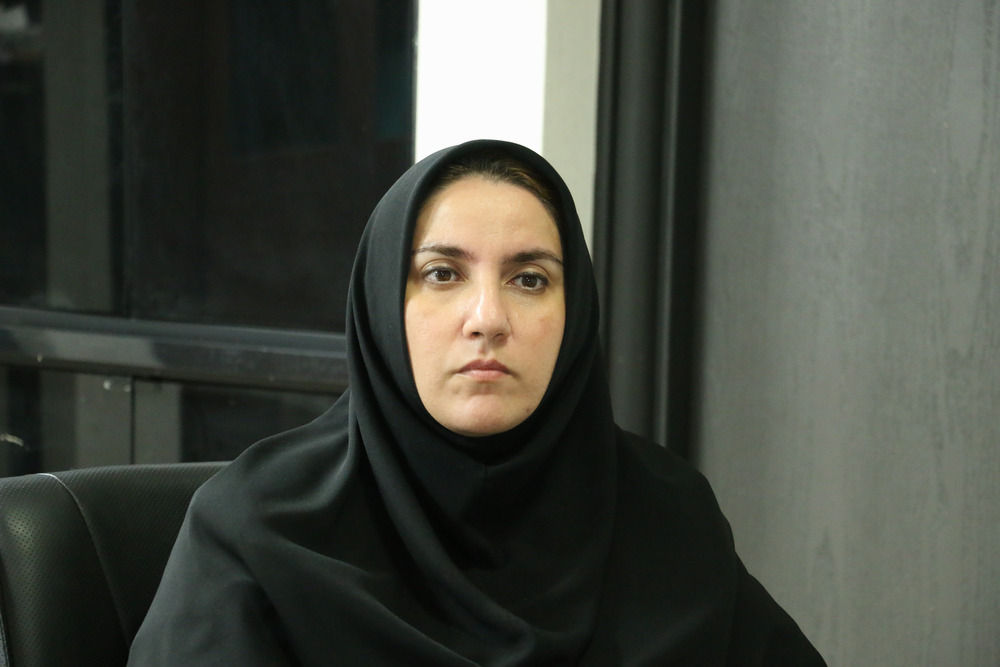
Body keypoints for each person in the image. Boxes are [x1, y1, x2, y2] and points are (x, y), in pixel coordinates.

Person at [128, 139, 825, 665]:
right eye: (442, 274)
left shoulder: (668, 518)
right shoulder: (257, 535)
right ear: (381, 306)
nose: (487, 317)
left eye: (529, 279)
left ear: (576, 311)